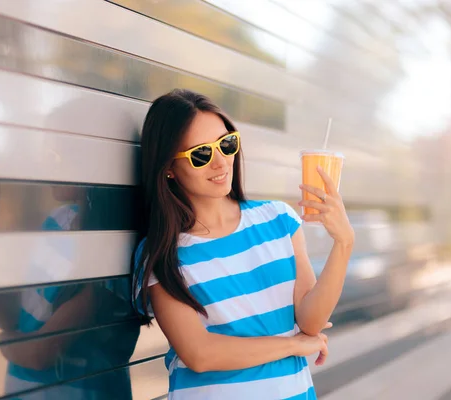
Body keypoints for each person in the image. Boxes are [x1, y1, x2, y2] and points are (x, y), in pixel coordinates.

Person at [132, 89, 354, 399]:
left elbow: (310, 320)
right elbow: (200, 354)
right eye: (200, 155)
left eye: (227, 144)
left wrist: (343, 243)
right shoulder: (162, 253)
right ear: (168, 167)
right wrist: (291, 345)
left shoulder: (278, 220)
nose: (220, 162)